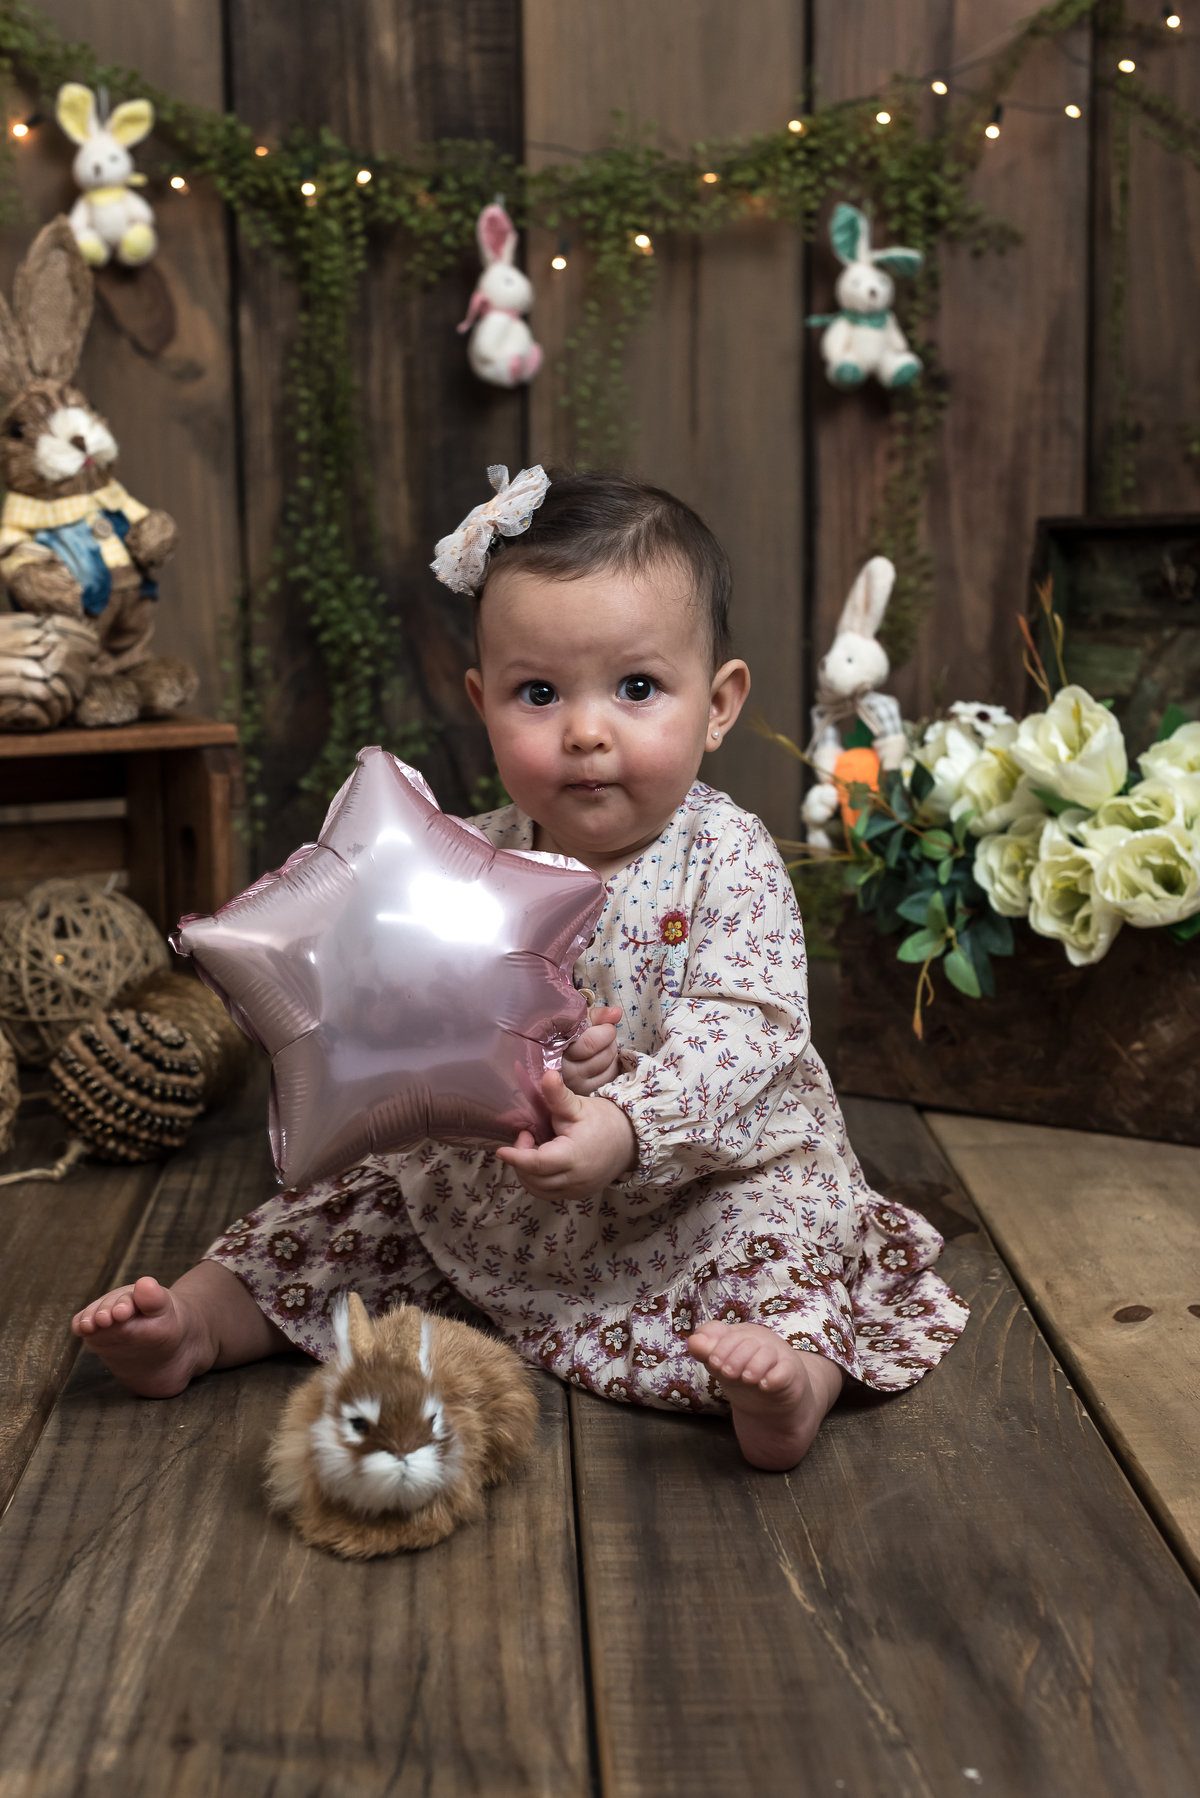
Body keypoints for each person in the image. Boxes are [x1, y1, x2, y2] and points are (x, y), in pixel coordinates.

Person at [72, 467, 968, 1472]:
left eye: (637, 688)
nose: (585, 730)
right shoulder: (466, 857)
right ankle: (198, 1320)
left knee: (783, 1234)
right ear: (483, 702)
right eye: (538, 693)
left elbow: (747, 1028)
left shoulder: (727, 855)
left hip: (697, 1182)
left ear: (717, 705)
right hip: (505, 1194)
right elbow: (407, 997)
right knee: (351, 1213)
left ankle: (792, 1378)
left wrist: (628, 1125)